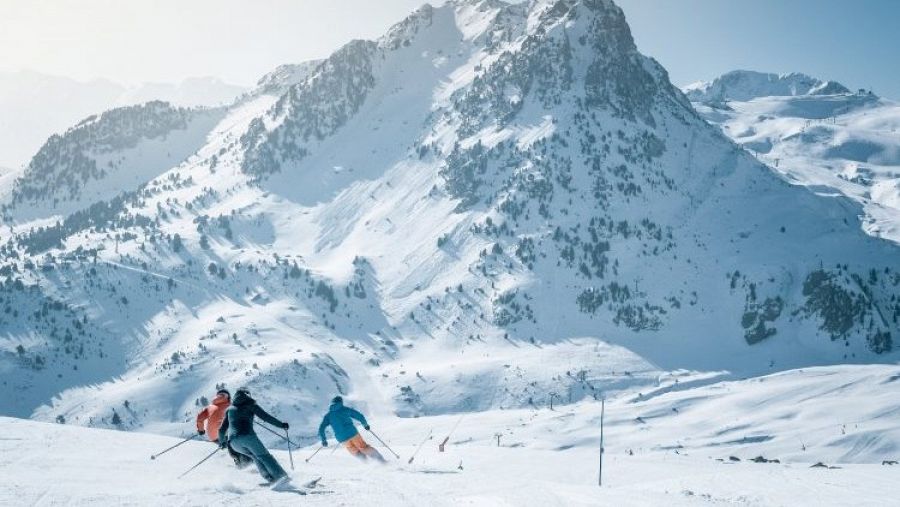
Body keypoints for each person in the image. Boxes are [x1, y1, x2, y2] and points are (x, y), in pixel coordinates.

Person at [218, 387, 291, 488]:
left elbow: (222, 429)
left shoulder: (229, 409)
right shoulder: (251, 405)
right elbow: (266, 417)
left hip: (233, 442)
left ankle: (270, 478)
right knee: (265, 456)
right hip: (247, 437)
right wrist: (281, 425)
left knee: (255, 457)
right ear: (247, 395)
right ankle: (281, 477)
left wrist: (222, 442)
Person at [196, 388, 253, 469]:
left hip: (213, 436)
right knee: (237, 443)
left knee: (231, 443)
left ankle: (240, 462)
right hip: (225, 433)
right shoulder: (230, 405)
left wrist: (201, 430)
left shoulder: (210, 407)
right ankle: (246, 463)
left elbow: (200, 418)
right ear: (228, 397)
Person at [318, 396, 385, 463]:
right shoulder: (345, 409)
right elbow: (359, 416)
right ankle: (382, 461)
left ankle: (366, 463)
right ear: (340, 402)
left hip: (342, 439)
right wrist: (365, 425)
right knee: (364, 448)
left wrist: (324, 440)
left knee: (355, 451)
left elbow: (321, 428)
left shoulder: (328, 416)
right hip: (353, 434)